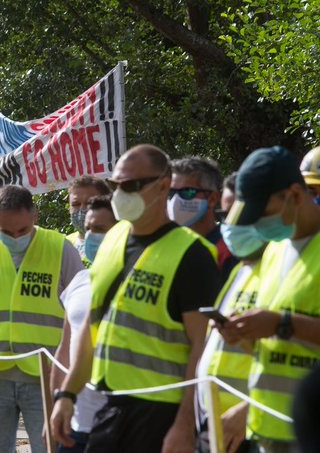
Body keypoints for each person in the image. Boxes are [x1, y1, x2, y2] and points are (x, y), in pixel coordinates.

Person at [50, 144, 220, 453]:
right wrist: (66, 395)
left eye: (131, 186)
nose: (120, 194)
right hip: (110, 404)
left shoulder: (193, 254)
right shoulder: (114, 238)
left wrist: (184, 426)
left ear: (164, 185)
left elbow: (202, 348)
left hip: (162, 413)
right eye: (115, 185)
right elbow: (91, 331)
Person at [0, 185, 83, 453]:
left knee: (50, 449)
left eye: (22, 230)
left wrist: (67, 370)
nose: (14, 237)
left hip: (45, 377)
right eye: (5, 232)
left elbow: (81, 315)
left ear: (34, 216)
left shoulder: (61, 248)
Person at [217, 146, 320, 451]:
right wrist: (243, 332)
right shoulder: (274, 250)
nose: (257, 224)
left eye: (263, 213)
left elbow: (280, 326)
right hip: (267, 430)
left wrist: (281, 323)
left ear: (295, 195)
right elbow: (273, 348)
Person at [50, 194, 116, 452]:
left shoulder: (135, 283)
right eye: (88, 228)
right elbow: (64, 349)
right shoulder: (78, 281)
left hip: (120, 425)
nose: (91, 236)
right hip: (75, 425)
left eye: (99, 229)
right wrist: (55, 405)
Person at [194, 222, 268, 453]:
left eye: (243, 217)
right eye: (228, 216)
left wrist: (250, 409)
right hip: (215, 420)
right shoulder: (240, 270)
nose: (233, 226)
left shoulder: (288, 272)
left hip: (253, 425)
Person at [169, 156, 237, 279]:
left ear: (212, 199)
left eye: (187, 192)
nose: (175, 201)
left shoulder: (229, 249)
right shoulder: (165, 245)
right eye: (171, 193)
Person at [66, 176, 111, 267]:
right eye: (76, 204)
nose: (82, 209)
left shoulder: (121, 240)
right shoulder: (64, 244)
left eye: (90, 202)